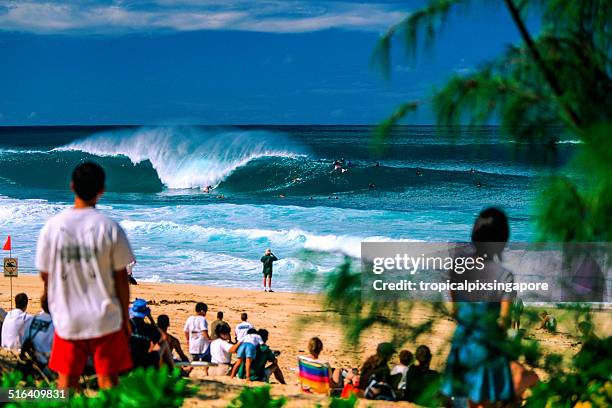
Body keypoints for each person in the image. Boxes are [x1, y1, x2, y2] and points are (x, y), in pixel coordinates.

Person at [36, 162, 134, 390]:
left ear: (72, 186)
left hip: (68, 318)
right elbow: (121, 278)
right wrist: (125, 317)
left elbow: (45, 274)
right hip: (105, 318)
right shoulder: (110, 228)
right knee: (109, 382)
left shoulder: (53, 227)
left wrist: (56, 301)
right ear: (102, 190)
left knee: (66, 384)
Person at [441, 208, 515, 407]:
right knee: (484, 399)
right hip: (487, 344)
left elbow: (455, 310)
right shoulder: (504, 275)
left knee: (461, 396)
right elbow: (504, 320)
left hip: (463, 340)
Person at [20, 294, 54, 368]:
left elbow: (24, 340)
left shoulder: (32, 319)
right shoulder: (55, 324)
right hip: (44, 365)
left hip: (29, 361)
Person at [127, 299, 162, 369]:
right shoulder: (149, 328)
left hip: (128, 358)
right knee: (157, 349)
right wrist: (150, 318)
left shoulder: (127, 325)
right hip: (143, 360)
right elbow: (160, 336)